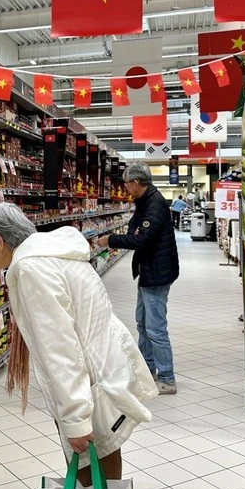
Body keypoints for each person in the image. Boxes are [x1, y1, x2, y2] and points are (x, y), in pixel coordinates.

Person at [0, 203, 157, 486]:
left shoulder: (32, 267)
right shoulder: (55, 252)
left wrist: (75, 418)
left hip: (88, 378)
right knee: (106, 449)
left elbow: (61, 349)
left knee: (87, 455)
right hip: (103, 366)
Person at [96, 162, 180, 394]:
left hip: (157, 273)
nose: (124, 188)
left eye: (126, 183)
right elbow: (135, 228)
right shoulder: (143, 202)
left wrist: (111, 239)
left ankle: (167, 378)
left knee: (155, 328)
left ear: (136, 183)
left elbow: (140, 239)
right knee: (143, 323)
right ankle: (147, 368)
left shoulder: (154, 204)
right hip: (148, 270)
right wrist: (131, 234)